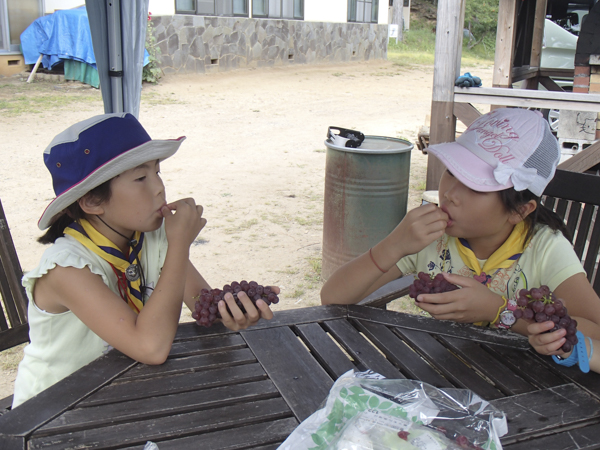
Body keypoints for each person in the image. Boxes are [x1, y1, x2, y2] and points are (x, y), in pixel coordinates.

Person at [12, 113, 275, 408]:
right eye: (140, 178)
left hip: (120, 393)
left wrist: (233, 309)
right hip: (52, 410)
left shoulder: (149, 236)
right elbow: (150, 348)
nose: (159, 187)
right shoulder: (65, 269)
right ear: (92, 202)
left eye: (157, 172)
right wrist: (179, 245)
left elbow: (203, 304)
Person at [321, 108, 600, 374]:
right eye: (452, 172)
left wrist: (498, 310)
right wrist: (393, 244)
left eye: (474, 186)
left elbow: (595, 331)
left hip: (532, 387)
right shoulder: (430, 239)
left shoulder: (546, 249)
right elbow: (333, 297)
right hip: (446, 370)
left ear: (520, 210)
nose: (451, 193)